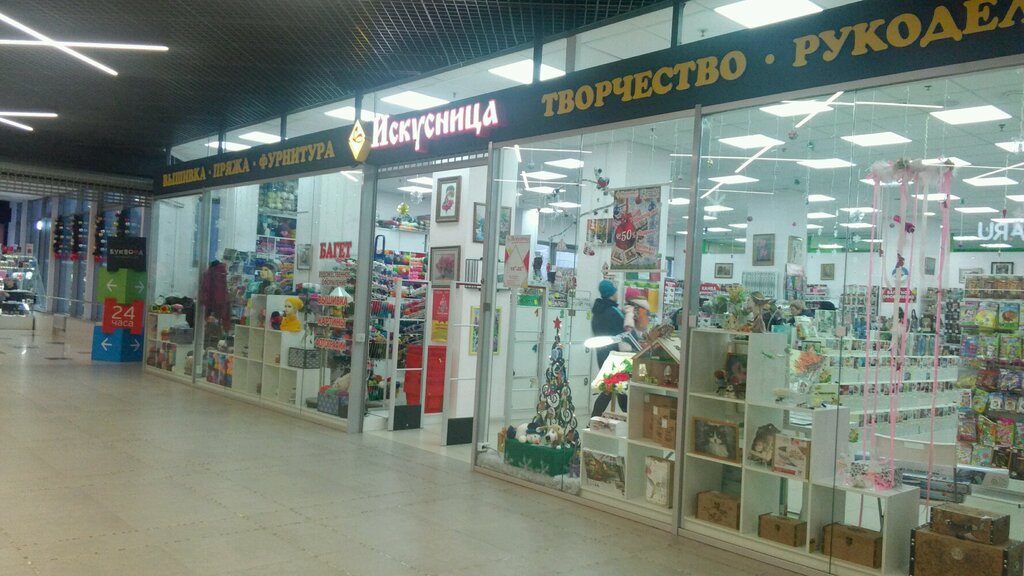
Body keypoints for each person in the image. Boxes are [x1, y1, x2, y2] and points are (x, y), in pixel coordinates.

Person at [591, 279, 627, 416]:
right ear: (612, 294)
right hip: (616, 357)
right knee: (618, 389)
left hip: (601, 355)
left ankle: (592, 421)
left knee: (610, 389)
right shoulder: (614, 312)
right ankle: (628, 420)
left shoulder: (596, 313)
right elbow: (625, 331)